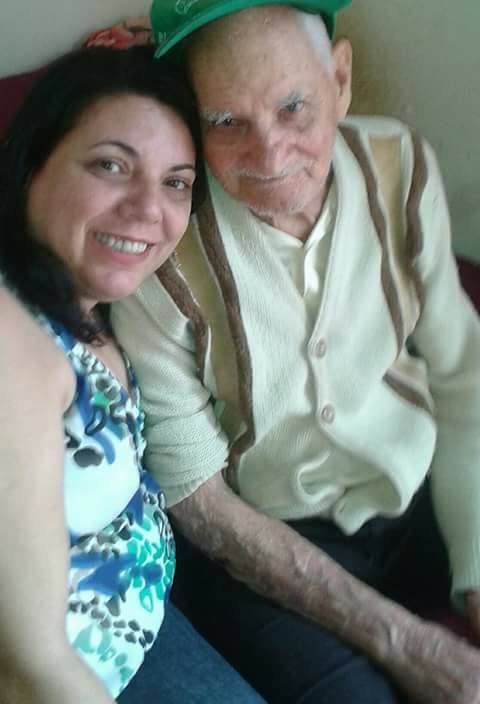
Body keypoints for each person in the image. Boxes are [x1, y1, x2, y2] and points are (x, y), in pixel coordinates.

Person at [112, 3, 480, 703]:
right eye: (226, 121)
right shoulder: (157, 244)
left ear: (339, 79)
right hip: (264, 540)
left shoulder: (400, 164)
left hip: (417, 479)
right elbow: (197, 496)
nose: (270, 157)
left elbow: (463, 372)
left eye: (293, 107)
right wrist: (404, 640)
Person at [0, 45, 266, 704]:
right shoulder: (14, 336)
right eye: (111, 166)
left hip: (143, 621)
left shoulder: (103, 307)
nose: (150, 209)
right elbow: (31, 667)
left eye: (176, 182)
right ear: (30, 166)